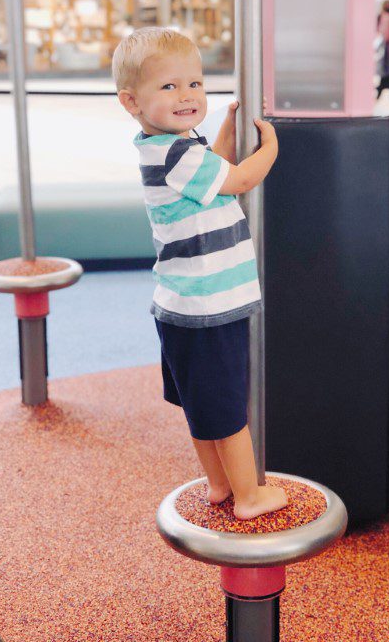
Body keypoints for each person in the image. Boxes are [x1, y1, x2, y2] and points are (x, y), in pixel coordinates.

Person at [113, 26, 288, 521]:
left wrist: (230, 122)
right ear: (132, 100)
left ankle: (216, 483)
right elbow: (238, 178)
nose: (187, 96)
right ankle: (249, 496)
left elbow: (217, 165)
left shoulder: (169, 145)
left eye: (195, 83)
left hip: (181, 305)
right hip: (209, 304)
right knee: (229, 408)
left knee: (202, 402)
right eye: (169, 87)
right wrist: (272, 146)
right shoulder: (177, 154)